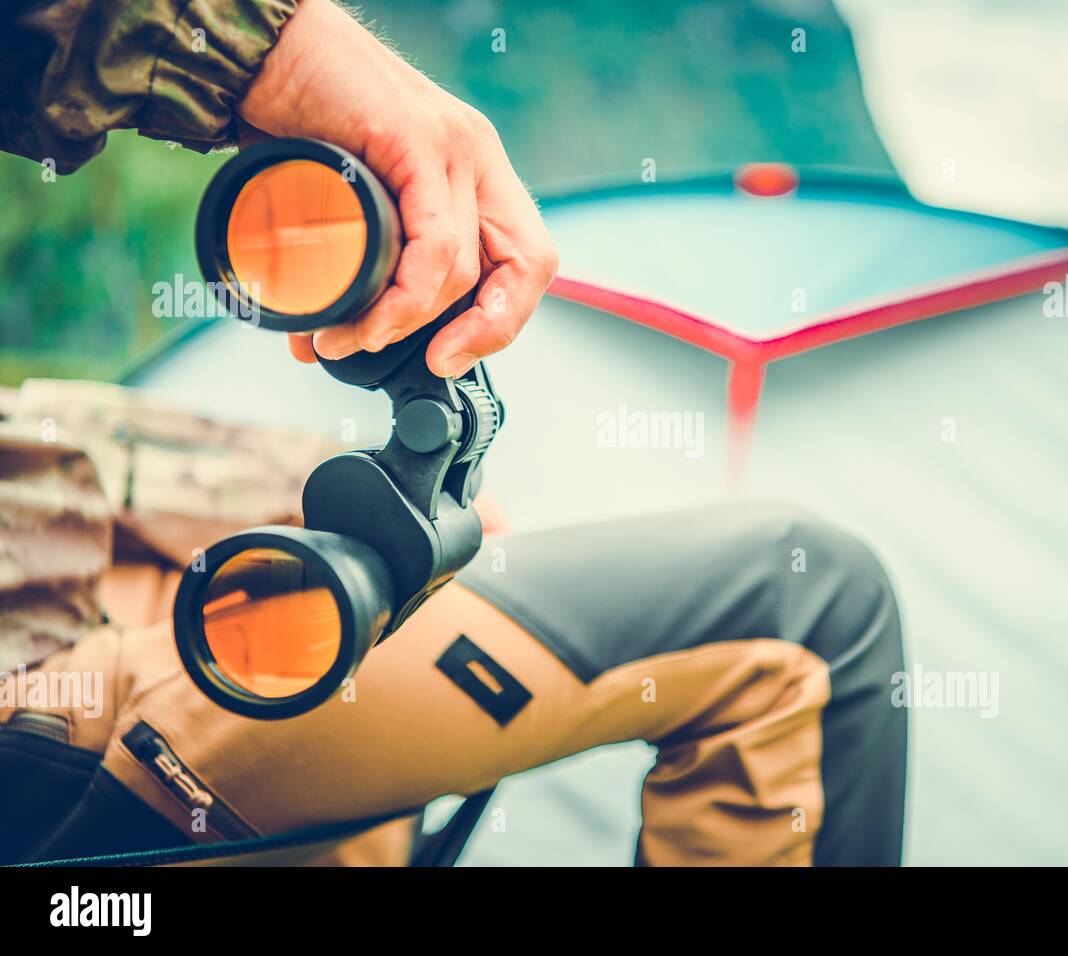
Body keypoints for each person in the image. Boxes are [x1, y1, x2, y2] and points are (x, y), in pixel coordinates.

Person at [0, 0, 906, 866]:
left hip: (84, 611)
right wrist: (272, 49)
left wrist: (285, 474)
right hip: (42, 714)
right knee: (805, 602)